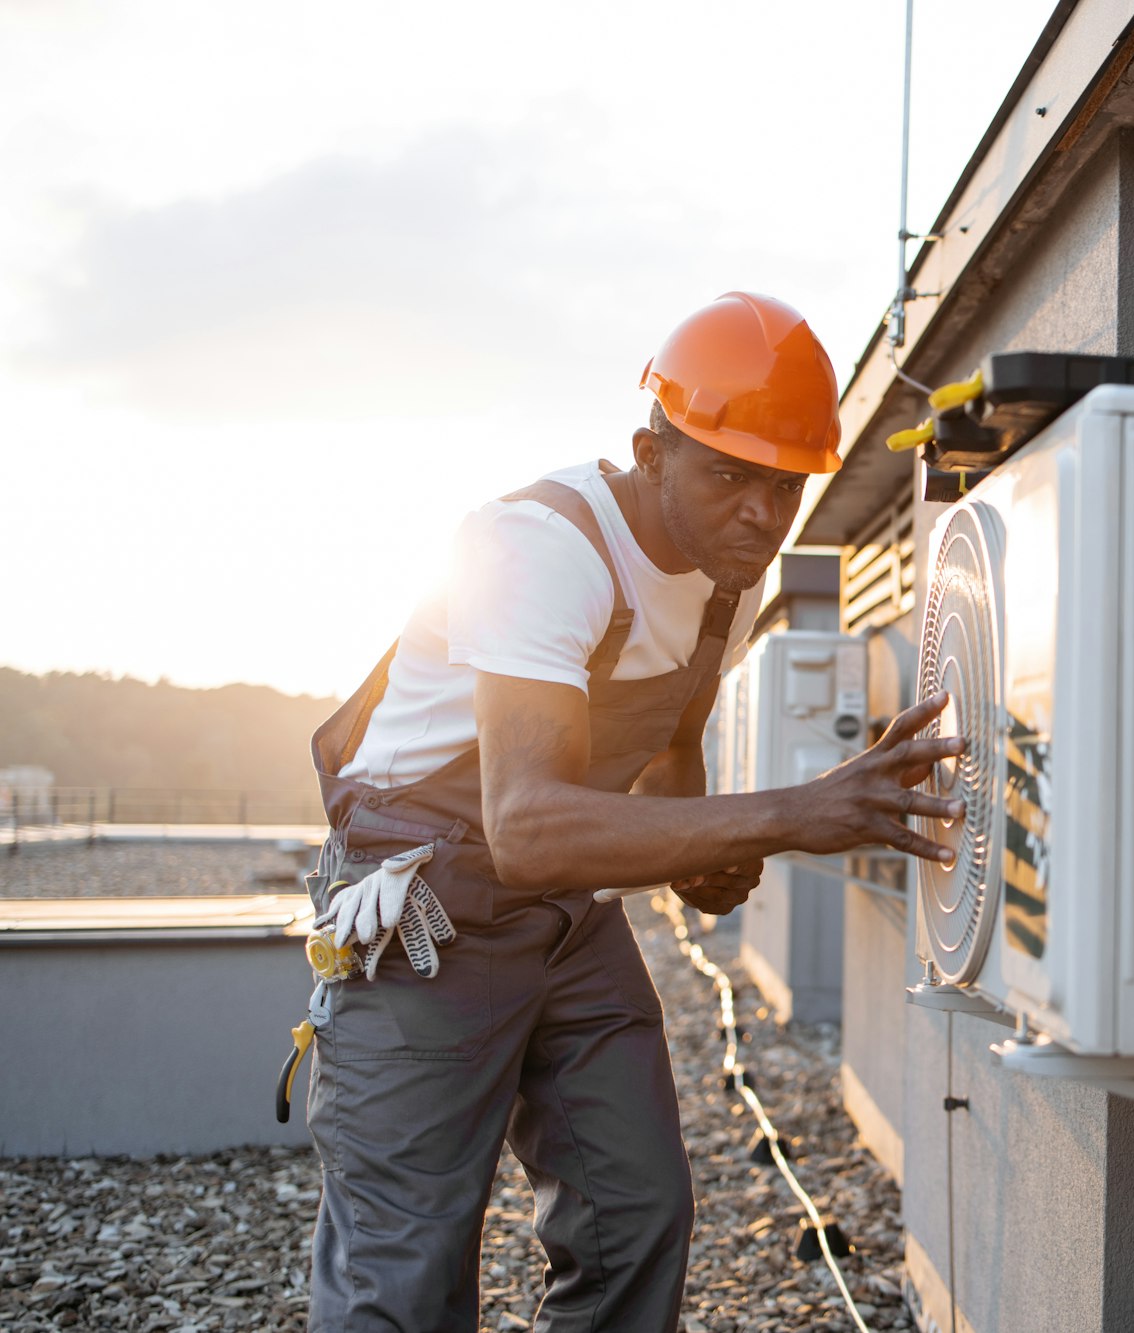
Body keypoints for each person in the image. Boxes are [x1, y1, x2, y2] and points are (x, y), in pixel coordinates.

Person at [297, 292, 963, 1331]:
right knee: (407, 1264)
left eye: (781, 485)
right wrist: (790, 812)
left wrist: (706, 856)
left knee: (634, 1211)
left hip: (564, 913)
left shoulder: (724, 575)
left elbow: (671, 748)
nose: (758, 509)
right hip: (424, 906)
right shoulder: (541, 548)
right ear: (650, 453)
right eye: (727, 472)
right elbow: (523, 825)